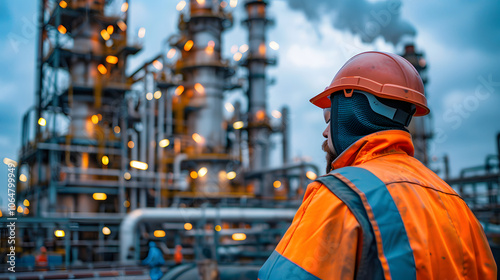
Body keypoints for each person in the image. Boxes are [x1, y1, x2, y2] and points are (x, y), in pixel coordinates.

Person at [259, 51, 497, 279]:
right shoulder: (457, 205)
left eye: (330, 118)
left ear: (352, 113)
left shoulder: (340, 198)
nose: (324, 132)